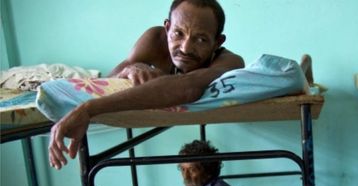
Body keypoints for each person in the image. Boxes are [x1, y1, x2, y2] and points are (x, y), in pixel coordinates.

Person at [48, 0, 244, 170]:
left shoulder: (229, 63)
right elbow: (108, 80)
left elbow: (188, 87)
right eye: (178, 33)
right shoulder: (155, 40)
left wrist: (87, 110)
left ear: (218, 42)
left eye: (200, 39)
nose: (185, 48)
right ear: (167, 28)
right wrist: (131, 69)